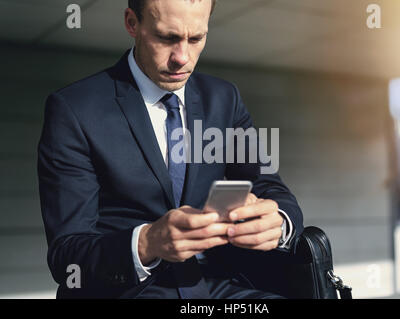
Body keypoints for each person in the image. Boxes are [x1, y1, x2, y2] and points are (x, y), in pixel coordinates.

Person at [38, 0, 303, 299]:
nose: (183, 58)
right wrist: (148, 243)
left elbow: (270, 187)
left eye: (196, 38)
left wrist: (279, 222)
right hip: (125, 291)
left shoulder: (224, 99)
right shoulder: (74, 109)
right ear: (131, 23)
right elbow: (67, 256)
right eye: (167, 38)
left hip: (219, 285)